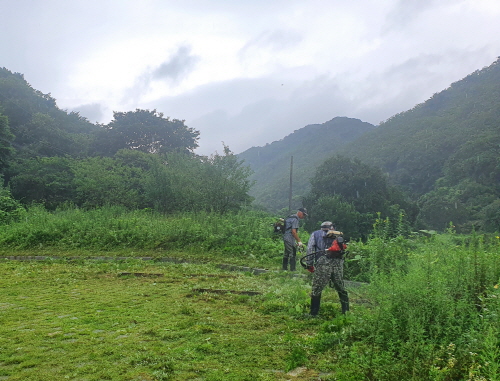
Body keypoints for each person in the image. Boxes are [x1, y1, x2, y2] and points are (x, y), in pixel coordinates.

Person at [306, 221, 349, 315]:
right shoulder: (338, 235)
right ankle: (346, 311)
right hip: (337, 263)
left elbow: (310, 249)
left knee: (317, 288)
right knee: (340, 286)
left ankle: (314, 313)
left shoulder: (315, 234)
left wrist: (309, 264)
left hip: (323, 263)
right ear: (332, 227)